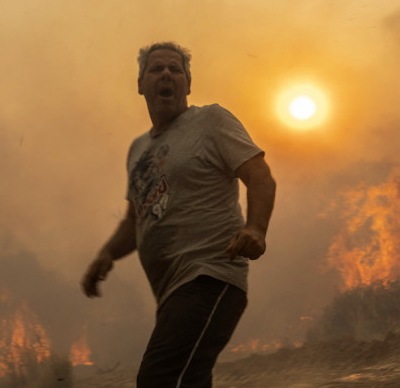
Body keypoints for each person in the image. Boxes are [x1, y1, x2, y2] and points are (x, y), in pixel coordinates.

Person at [81, 41, 276, 387]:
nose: (167, 74)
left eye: (176, 69)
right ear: (140, 84)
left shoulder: (211, 120)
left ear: (189, 83)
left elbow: (259, 176)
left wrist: (256, 228)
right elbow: (135, 221)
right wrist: (107, 254)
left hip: (210, 275)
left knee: (159, 379)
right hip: (172, 292)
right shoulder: (138, 149)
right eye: (157, 69)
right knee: (187, 380)